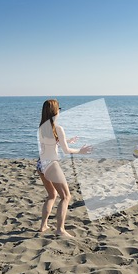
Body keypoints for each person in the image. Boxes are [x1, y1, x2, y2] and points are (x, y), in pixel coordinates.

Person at [37, 99, 93, 237]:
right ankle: (60, 229)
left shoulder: (41, 128)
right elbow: (66, 151)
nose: (60, 111)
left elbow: (51, 142)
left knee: (52, 195)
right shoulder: (58, 128)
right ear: (55, 111)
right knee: (66, 196)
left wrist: (66, 140)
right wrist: (81, 151)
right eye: (59, 109)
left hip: (41, 164)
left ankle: (43, 225)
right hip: (51, 165)